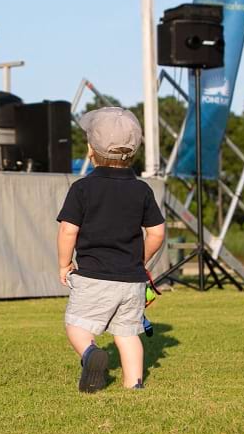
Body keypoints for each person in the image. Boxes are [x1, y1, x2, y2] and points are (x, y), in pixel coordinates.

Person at [56, 107, 166, 393]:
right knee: (128, 334)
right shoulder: (142, 190)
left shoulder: (82, 189)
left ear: (91, 149)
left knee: (78, 326)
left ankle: (90, 354)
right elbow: (157, 232)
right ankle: (134, 385)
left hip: (94, 276)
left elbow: (68, 230)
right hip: (131, 280)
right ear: (134, 151)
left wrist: (64, 263)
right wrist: (140, 260)